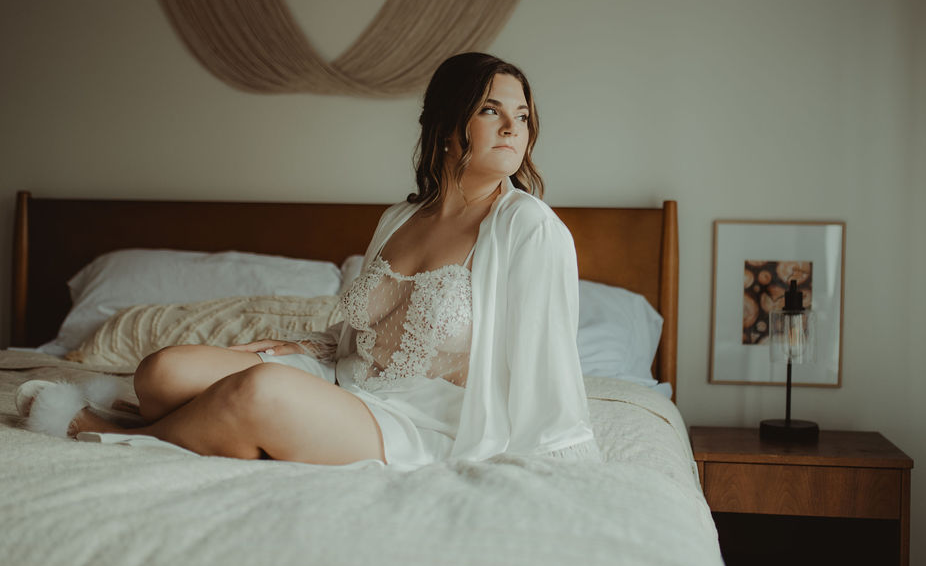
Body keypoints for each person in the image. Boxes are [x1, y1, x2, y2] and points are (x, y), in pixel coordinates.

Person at [19, 52, 600, 469]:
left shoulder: (528, 227)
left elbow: (545, 364)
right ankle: (181, 416)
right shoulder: (400, 218)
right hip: (345, 384)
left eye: (521, 115)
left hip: (426, 424)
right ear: (449, 126)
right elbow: (360, 336)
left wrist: (550, 463)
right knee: (163, 370)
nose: (512, 128)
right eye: (491, 111)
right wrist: (289, 348)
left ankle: (123, 430)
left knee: (261, 391)